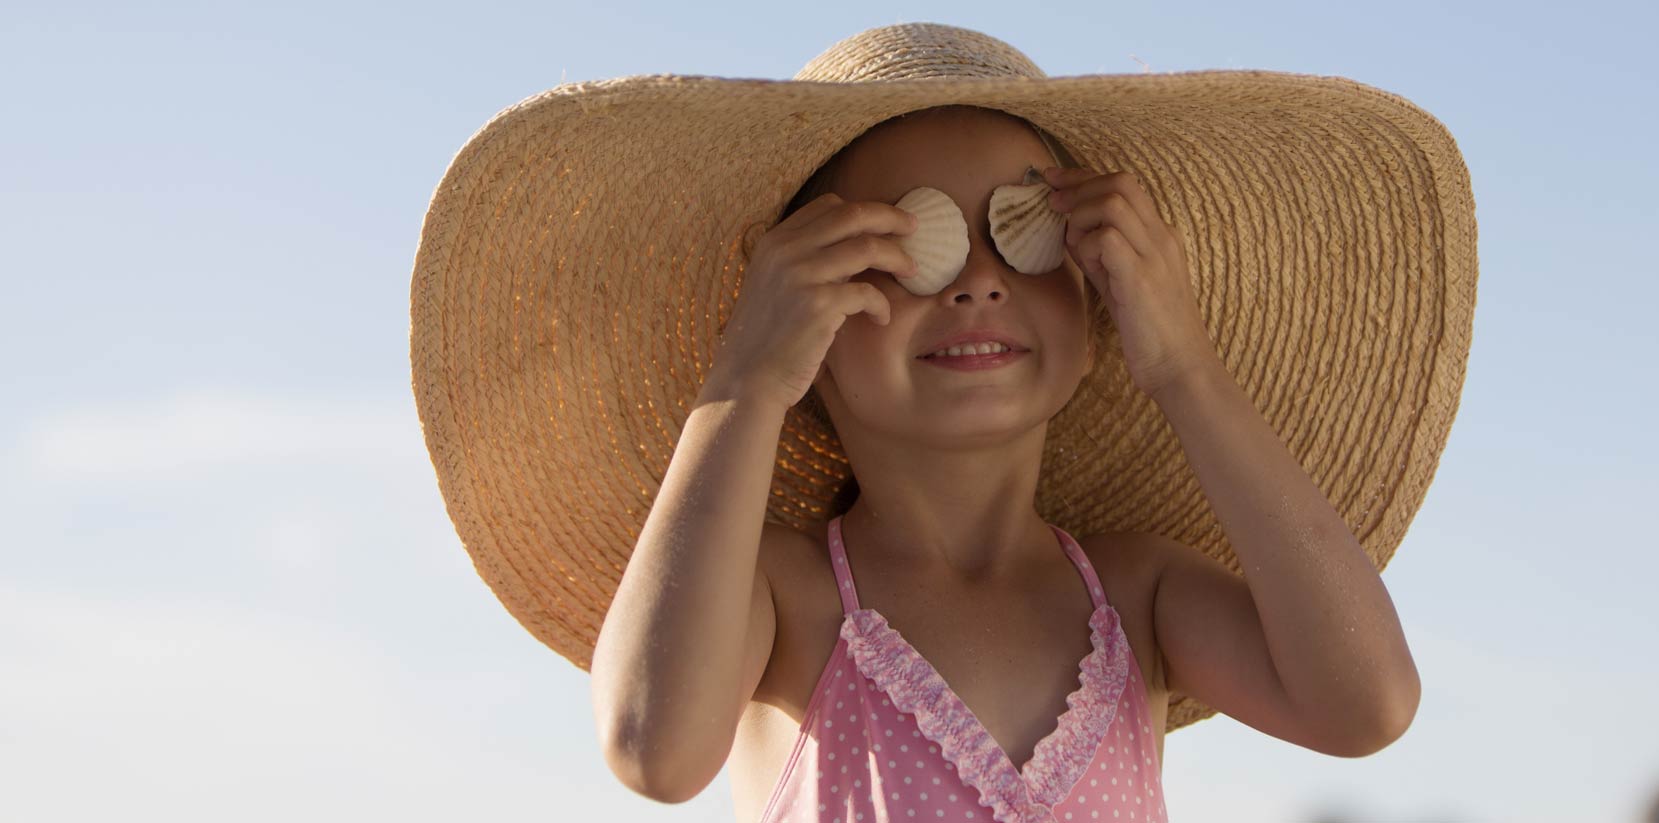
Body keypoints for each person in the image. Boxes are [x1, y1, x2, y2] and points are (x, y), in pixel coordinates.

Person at [408, 22, 1477, 823]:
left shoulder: (1137, 597)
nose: (974, 281)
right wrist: (744, 381)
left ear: (1099, 303)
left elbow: (1365, 705)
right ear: (805, 317)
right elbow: (653, 748)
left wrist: (1187, 369)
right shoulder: (787, 595)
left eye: (1026, 235)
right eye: (907, 243)